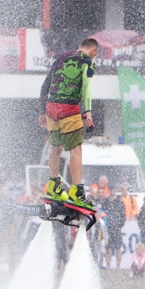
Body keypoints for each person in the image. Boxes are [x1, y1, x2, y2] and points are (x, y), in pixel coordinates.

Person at [38, 37, 98, 213]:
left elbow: (45, 85)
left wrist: (42, 111)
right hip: (69, 109)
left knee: (55, 147)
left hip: (51, 108)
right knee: (76, 150)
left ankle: (54, 186)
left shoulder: (60, 58)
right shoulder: (87, 61)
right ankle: (77, 192)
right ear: (93, 51)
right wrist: (87, 110)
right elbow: (87, 85)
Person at [100, 183, 126, 269]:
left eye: (113, 189)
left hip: (116, 228)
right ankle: (108, 266)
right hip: (108, 228)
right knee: (108, 249)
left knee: (118, 248)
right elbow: (102, 214)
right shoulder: (105, 202)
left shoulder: (119, 202)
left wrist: (120, 225)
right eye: (111, 189)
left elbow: (123, 215)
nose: (112, 191)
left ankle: (118, 266)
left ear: (116, 190)